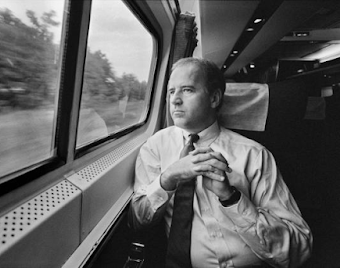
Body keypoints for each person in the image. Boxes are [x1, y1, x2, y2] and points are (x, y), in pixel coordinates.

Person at [129, 57, 312, 268]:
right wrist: (168, 178)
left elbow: (300, 248)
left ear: (214, 98)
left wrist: (232, 198)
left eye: (187, 90)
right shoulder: (155, 147)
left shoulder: (254, 155)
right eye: (171, 91)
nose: (175, 100)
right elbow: (137, 221)